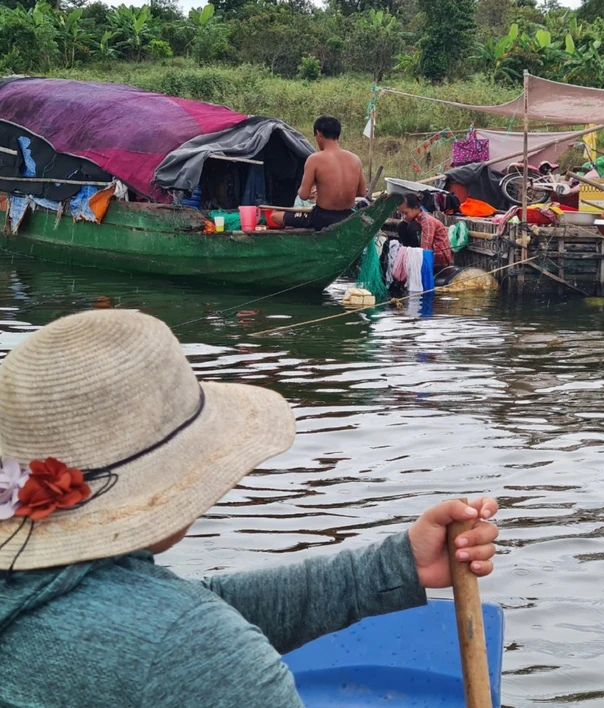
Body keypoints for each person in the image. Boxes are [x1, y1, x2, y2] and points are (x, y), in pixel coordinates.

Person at [0, 309, 499, 708]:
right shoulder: (187, 648)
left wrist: (398, 566)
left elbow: (189, 609)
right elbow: (181, 636)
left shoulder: (41, 589)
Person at [270, 115, 367, 230]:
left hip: (322, 218)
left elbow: (304, 195)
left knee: (275, 216)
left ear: (319, 134)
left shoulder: (314, 159)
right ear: (338, 135)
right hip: (347, 216)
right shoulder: (355, 159)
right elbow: (361, 192)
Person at [399, 192, 453, 268]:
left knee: (412, 227)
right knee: (402, 226)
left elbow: (426, 249)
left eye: (405, 213)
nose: (404, 216)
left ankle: (415, 260)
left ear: (415, 208)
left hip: (439, 257)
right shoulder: (415, 218)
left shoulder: (427, 221)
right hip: (427, 252)